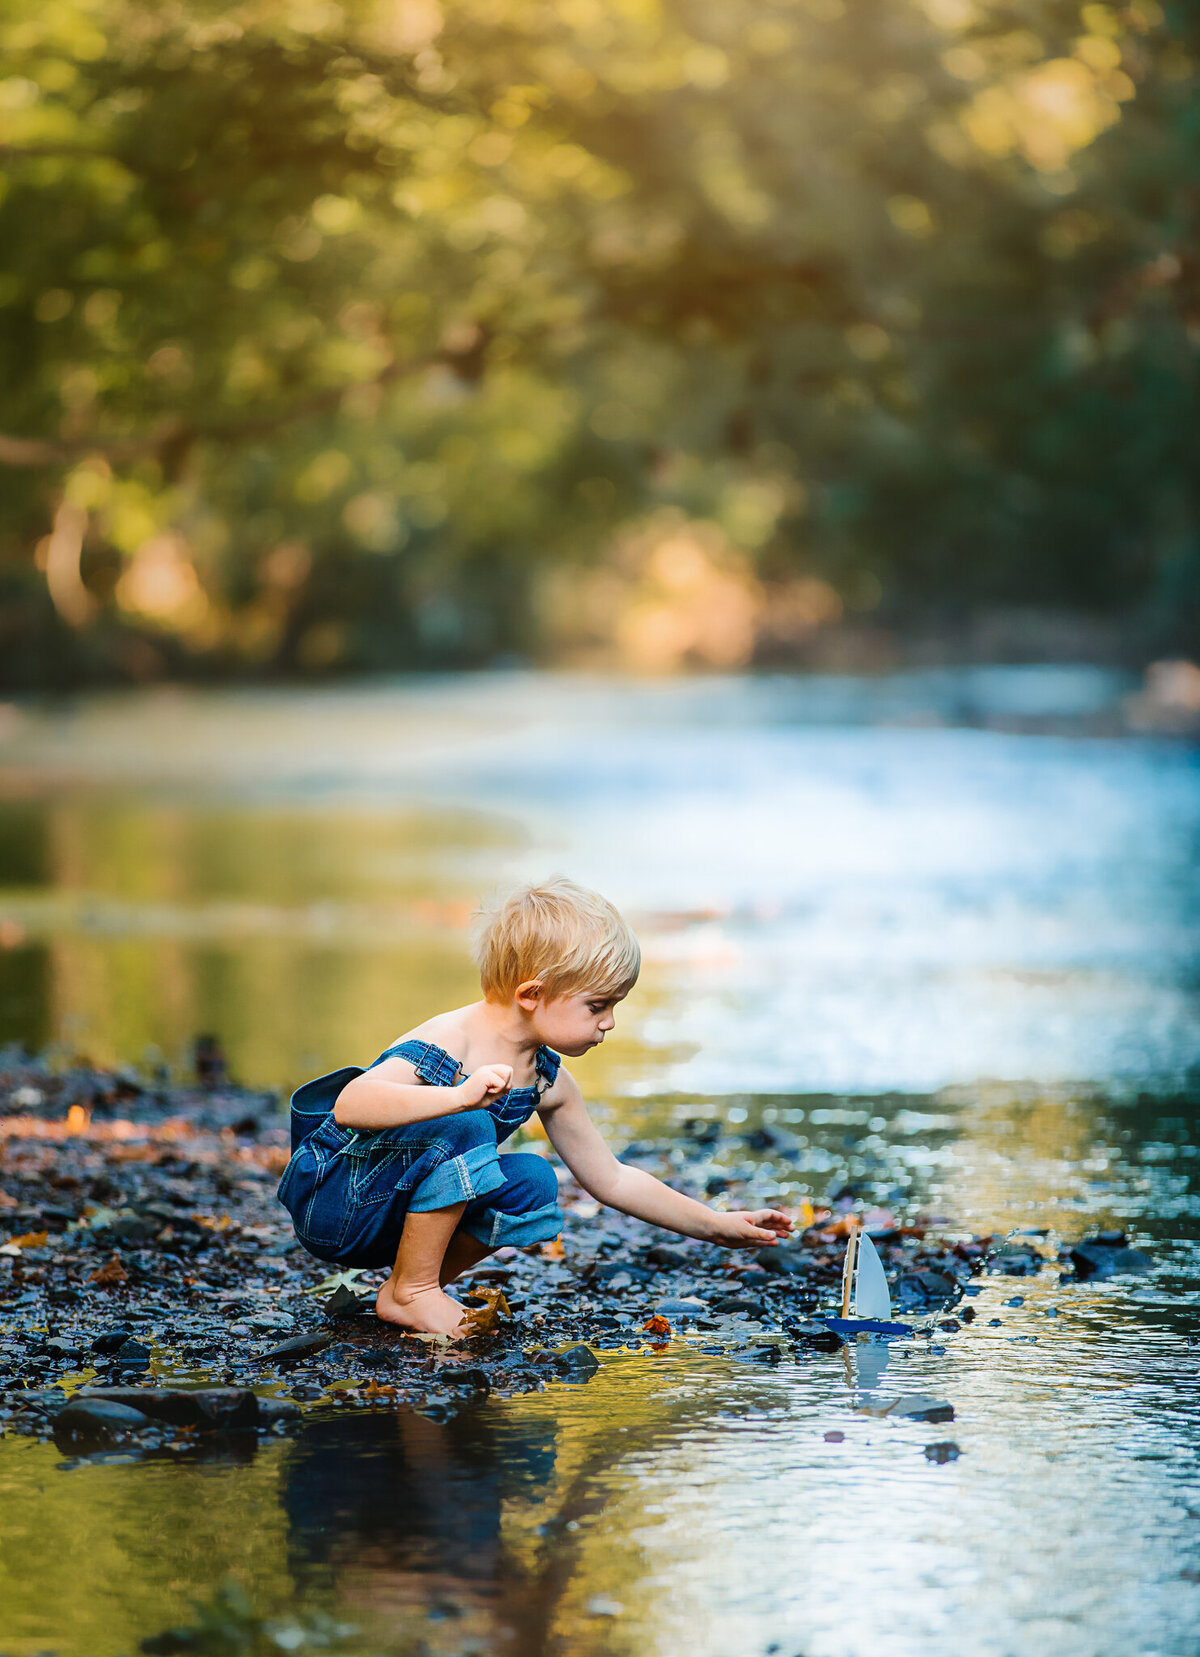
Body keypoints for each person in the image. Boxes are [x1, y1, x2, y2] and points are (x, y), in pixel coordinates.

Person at [277, 876, 792, 1335]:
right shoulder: (450, 1040)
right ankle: (413, 1295)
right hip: (339, 1204)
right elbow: (351, 1104)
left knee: (534, 1183)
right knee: (469, 1123)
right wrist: (457, 1096)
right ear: (532, 993)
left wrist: (716, 1225)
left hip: (395, 1221)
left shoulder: (549, 1079)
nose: (609, 1022)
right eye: (598, 1006)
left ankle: (412, 1285)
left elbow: (611, 1179)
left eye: (614, 1006)